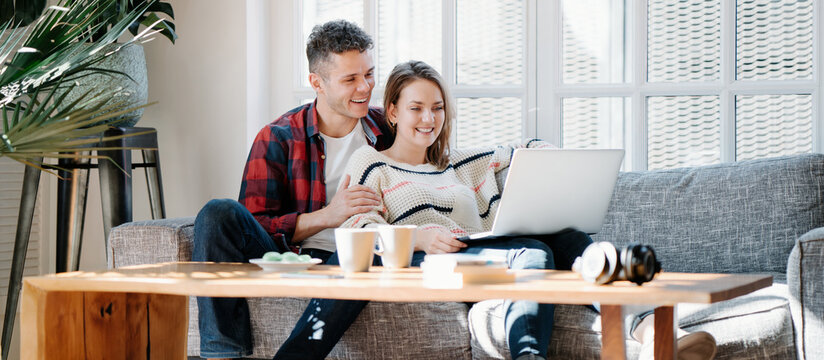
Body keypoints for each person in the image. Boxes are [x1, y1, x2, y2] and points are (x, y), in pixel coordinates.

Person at [275, 60, 594, 360]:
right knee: (533, 252)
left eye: (437, 108)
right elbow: (358, 232)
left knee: (567, 236)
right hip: (421, 263)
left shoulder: (461, 162)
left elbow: (527, 147)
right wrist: (418, 238)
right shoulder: (373, 163)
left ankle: (630, 312)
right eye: (416, 108)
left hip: (476, 256)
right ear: (393, 112)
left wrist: (556, 160)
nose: (429, 119)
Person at [191, 20, 392, 359]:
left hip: (360, 254)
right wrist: (329, 216)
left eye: (369, 74)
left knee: (365, 246)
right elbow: (255, 224)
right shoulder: (278, 137)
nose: (365, 87)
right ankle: (222, 353)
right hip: (296, 256)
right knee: (217, 212)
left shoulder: (387, 129)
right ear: (317, 83)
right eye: (350, 79)